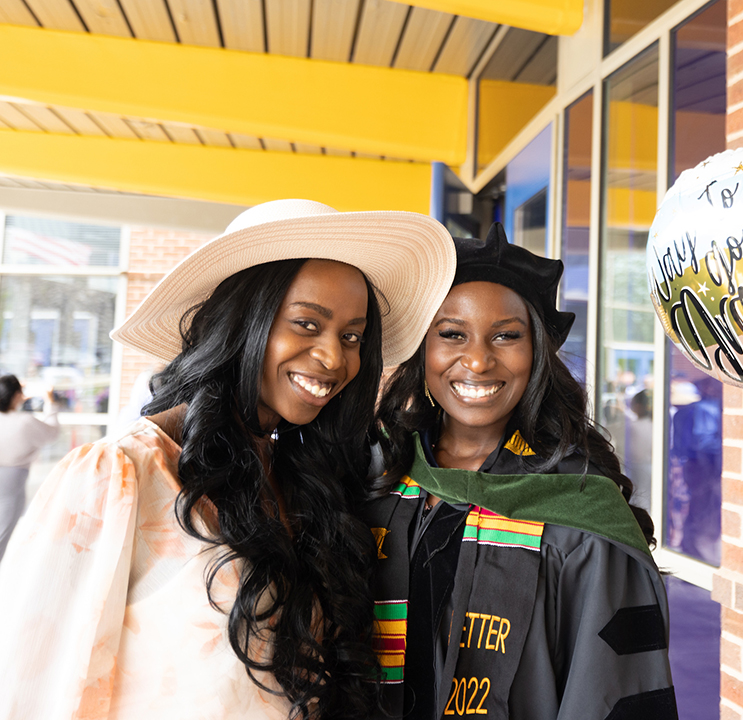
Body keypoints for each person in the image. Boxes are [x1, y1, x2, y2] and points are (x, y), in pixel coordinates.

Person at [0, 199, 455, 720]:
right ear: (242, 320)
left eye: (352, 337)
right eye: (307, 324)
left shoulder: (301, 481)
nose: (334, 358)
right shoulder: (120, 475)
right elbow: (26, 688)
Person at [368, 224, 678, 720]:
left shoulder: (580, 511)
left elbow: (612, 692)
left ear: (536, 354)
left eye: (506, 336)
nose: (477, 359)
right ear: (422, 351)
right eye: (451, 334)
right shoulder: (380, 478)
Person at [0, 374, 59, 560]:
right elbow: (52, 433)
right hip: (11, 484)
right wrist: (50, 402)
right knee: (2, 533)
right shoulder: (24, 422)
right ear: (17, 396)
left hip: (11, 481)